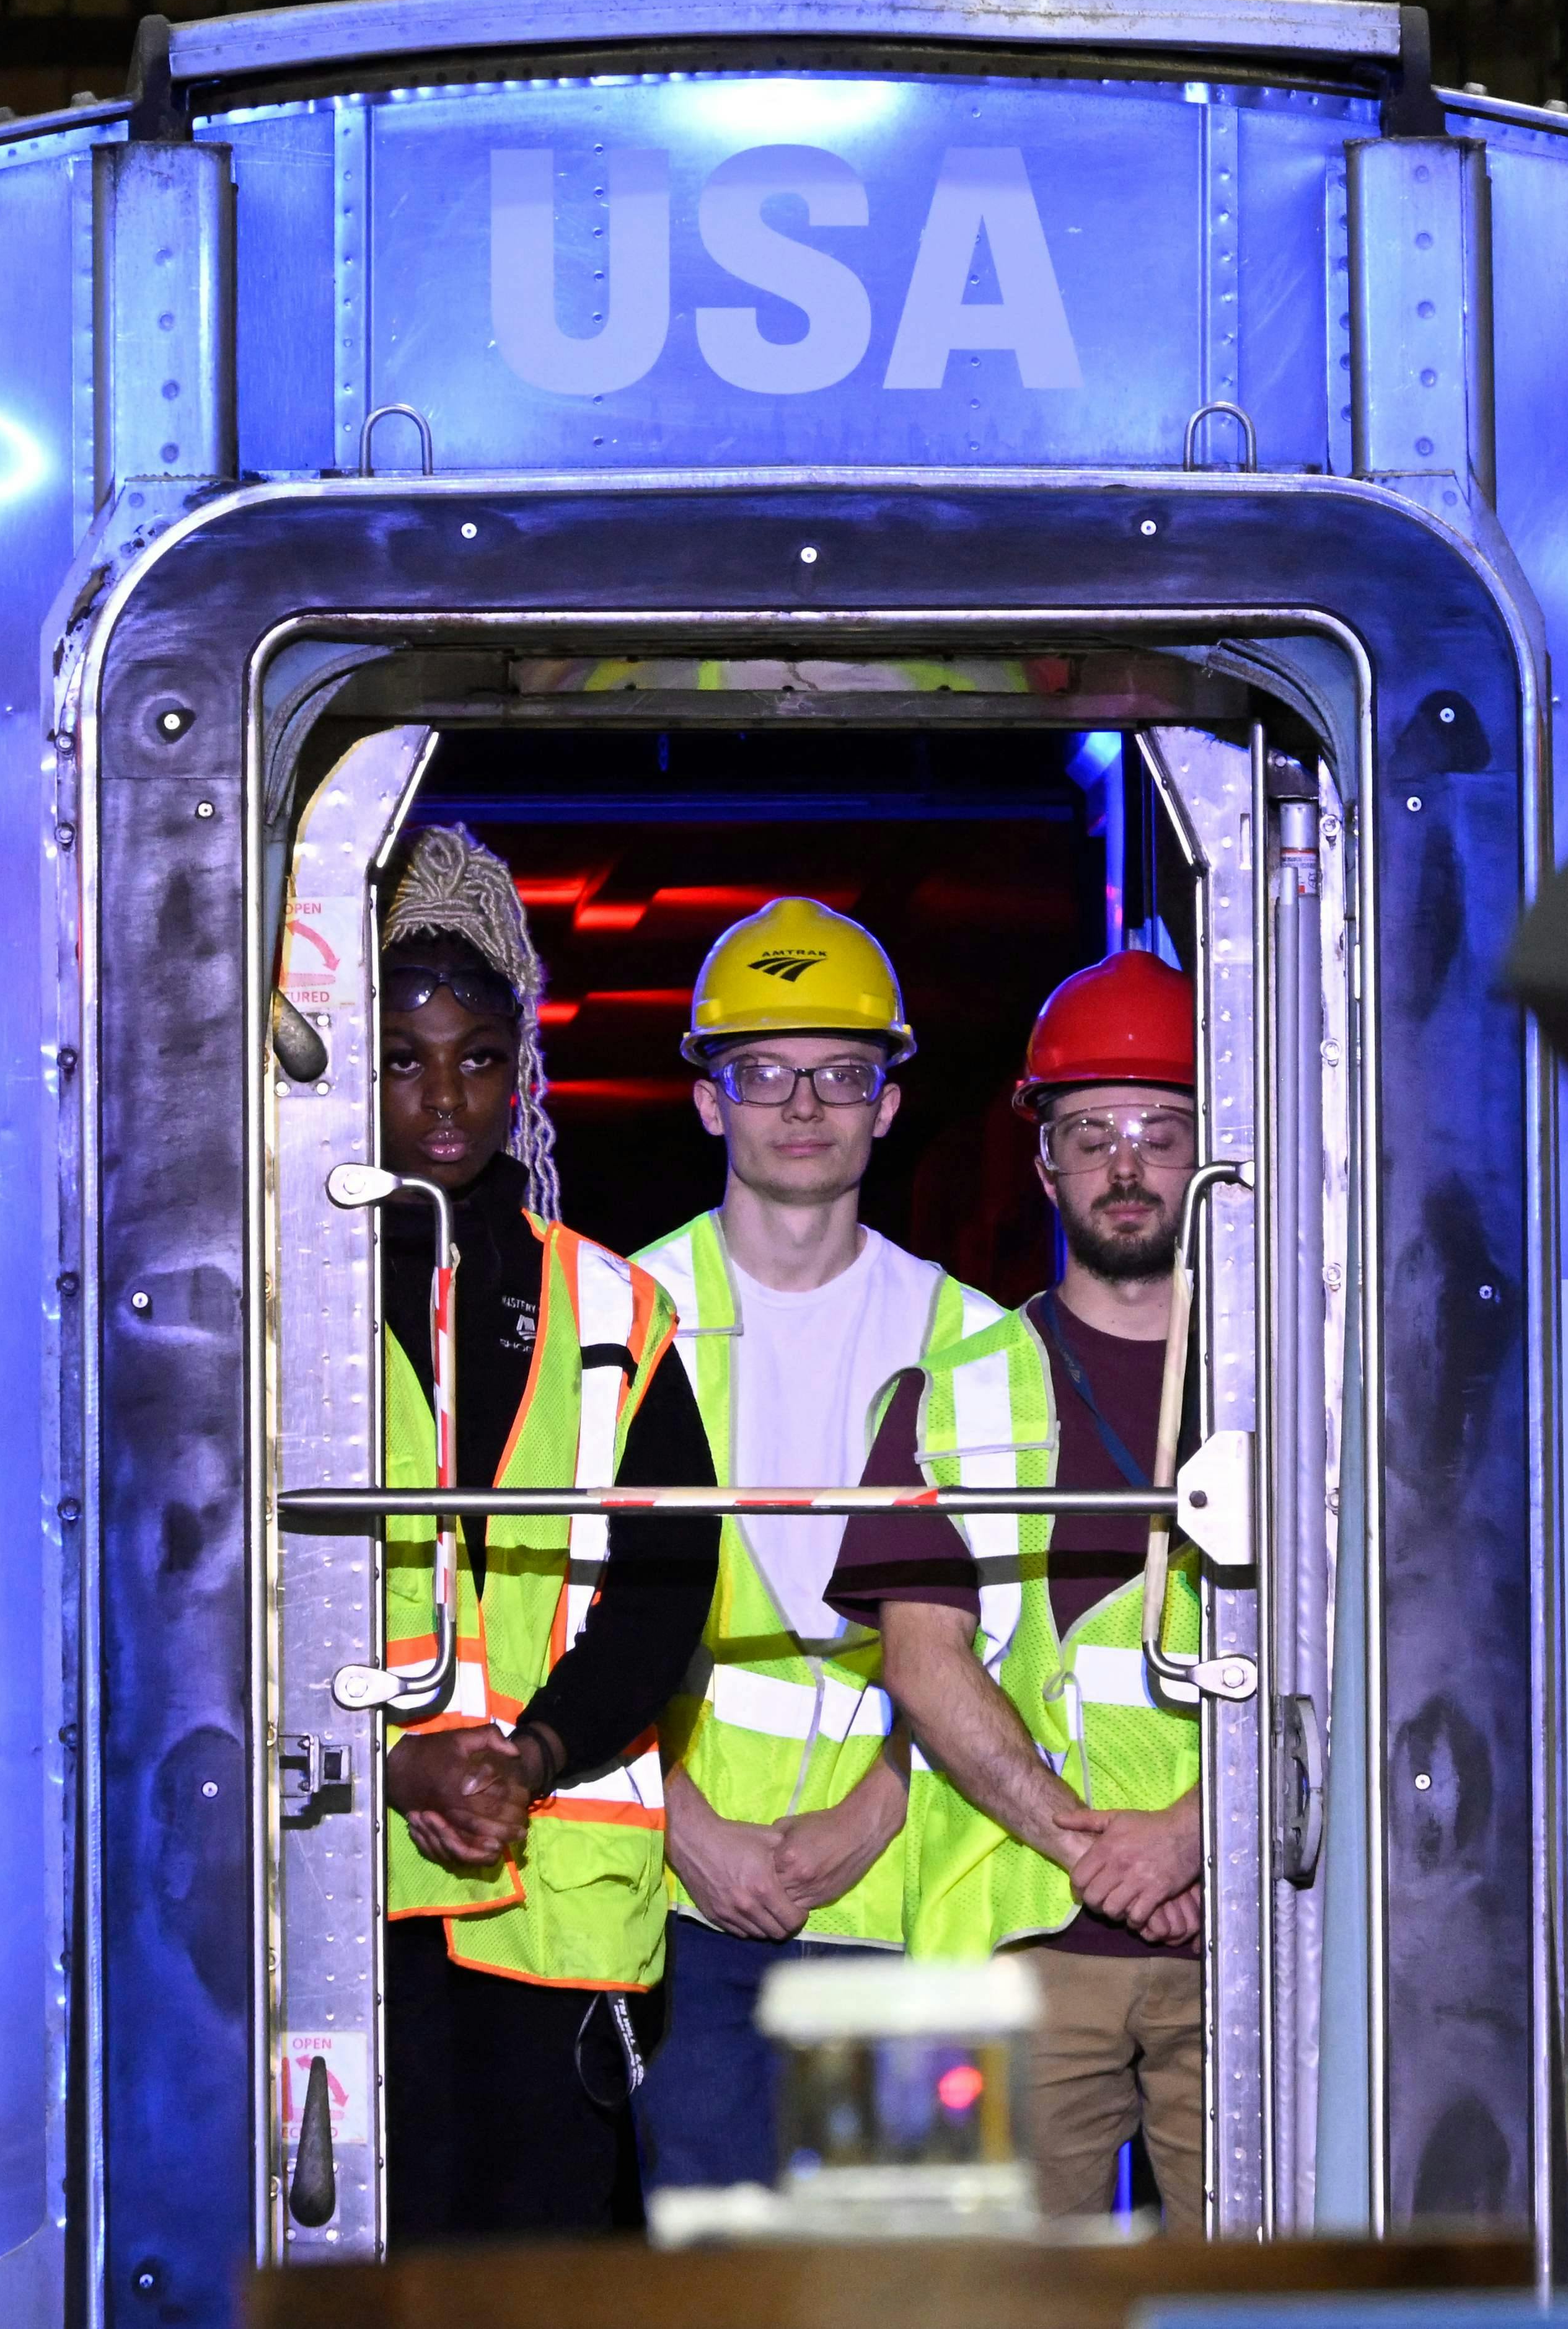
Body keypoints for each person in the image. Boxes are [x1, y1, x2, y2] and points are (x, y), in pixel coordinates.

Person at [623, 898, 1016, 2198]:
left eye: (842, 1073)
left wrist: (888, 1797)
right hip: (679, 1884)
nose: (805, 1105)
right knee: (711, 2268)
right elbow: (555, 1617)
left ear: (889, 1102)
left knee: (893, 2268)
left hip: (903, 1876)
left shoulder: (967, 1334)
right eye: (765, 1073)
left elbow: (1014, 1633)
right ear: (708, 1101)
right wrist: (685, 1825)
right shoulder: (625, 1312)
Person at [366, 824, 720, 2240]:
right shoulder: (271, 1298)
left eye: (476, 1057)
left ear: (524, 1074)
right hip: (349, 1890)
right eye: (402, 1056)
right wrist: (395, 1764)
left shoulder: (615, 1309)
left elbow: (665, 1588)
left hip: (556, 1897)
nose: (444, 1095)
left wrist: (533, 1752)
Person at [826, 953, 1213, 2226]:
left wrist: (1192, 1838)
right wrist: (1096, 1854)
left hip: (1253, 1936)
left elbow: (1369, 1645)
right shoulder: (955, 1392)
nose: (1125, 1162)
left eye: (1162, 1129)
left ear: (1214, 1151)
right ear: (1043, 1162)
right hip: (1025, 1939)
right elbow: (922, 1663)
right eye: (1088, 1130)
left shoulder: (1306, 1383)